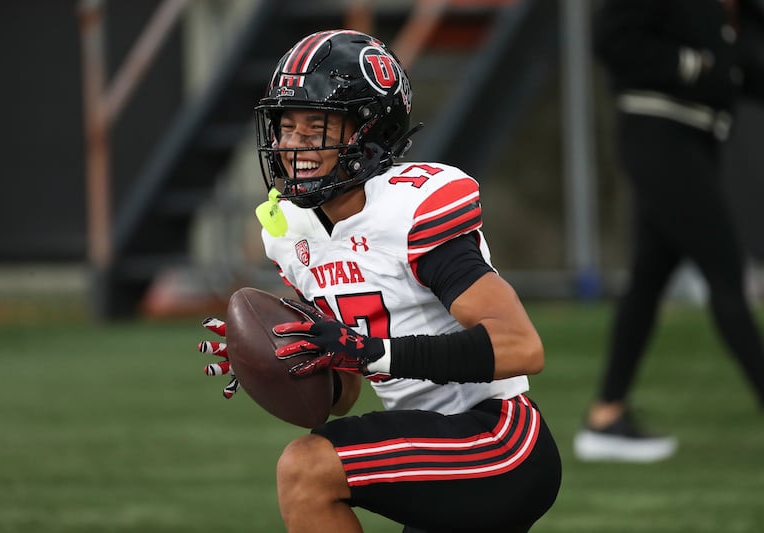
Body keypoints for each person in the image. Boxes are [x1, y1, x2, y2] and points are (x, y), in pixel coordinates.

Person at [196, 29, 561, 532]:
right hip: (428, 440)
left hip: (496, 436)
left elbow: (522, 347)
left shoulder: (411, 210)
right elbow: (344, 390)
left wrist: (372, 351)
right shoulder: (291, 233)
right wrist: (281, 361)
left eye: (316, 126)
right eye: (286, 127)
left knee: (306, 469)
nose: (293, 145)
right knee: (311, 463)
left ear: (368, 132)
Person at [574, 0, 764, 463]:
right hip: (659, 133)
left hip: (697, 140)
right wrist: (697, 64)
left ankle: (605, 416)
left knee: (649, 277)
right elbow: (613, 40)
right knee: (725, 273)